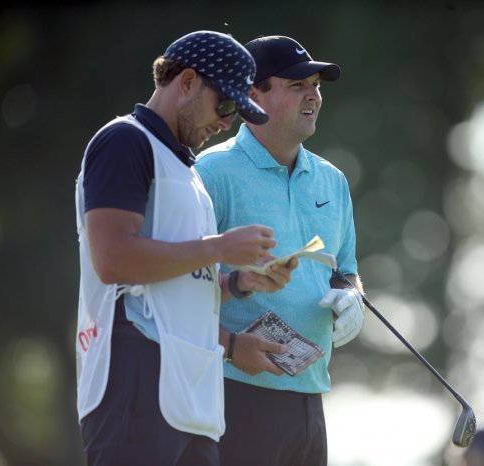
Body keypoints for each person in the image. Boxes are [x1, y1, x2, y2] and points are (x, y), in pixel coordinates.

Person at [74, 30, 297, 466]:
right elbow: (113, 259)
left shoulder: (187, 171)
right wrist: (218, 247)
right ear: (189, 81)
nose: (227, 123)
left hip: (191, 399)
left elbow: (182, 281)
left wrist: (238, 282)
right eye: (226, 104)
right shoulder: (125, 141)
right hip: (133, 386)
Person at [195, 35, 364, 466]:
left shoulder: (332, 181)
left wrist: (353, 297)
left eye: (317, 86)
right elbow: (180, 284)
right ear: (254, 95)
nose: (313, 96)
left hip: (310, 394)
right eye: (297, 85)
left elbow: (343, 270)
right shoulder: (211, 173)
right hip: (233, 391)